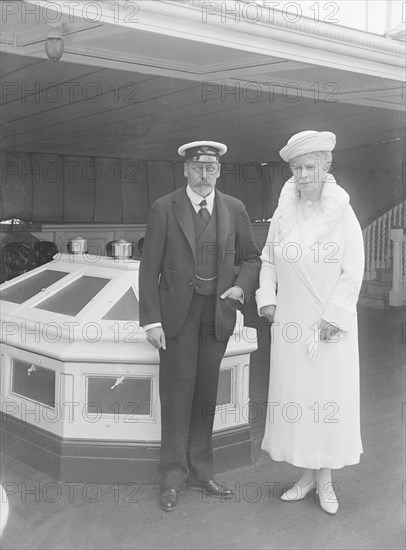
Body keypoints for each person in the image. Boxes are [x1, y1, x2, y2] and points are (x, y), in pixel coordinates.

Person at [139, 141, 260, 512]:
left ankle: (201, 473)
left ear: (219, 170)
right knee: (176, 397)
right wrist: (152, 321)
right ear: (186, 171)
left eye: (211, 167)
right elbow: (149, 269)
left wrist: (241, 287)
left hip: (217, 314)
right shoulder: (164, 207)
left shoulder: (234, 208)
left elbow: (251, 258)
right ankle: (172, 478)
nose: (204, 174)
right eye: (197, 167)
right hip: (176, 318)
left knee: (206, 396)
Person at [256, 131, 364, 515]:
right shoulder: (284, 213)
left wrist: (334, 316)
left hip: (329, 325)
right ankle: (304, 477)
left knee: (327, 400)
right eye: (297, 168)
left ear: (325, 168)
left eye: (309, 168)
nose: (302, 175)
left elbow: (353, 270)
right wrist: (267, 300)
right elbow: (269, 262)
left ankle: (326, 482)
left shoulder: (341, 211)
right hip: (291, 322)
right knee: (298, 400)